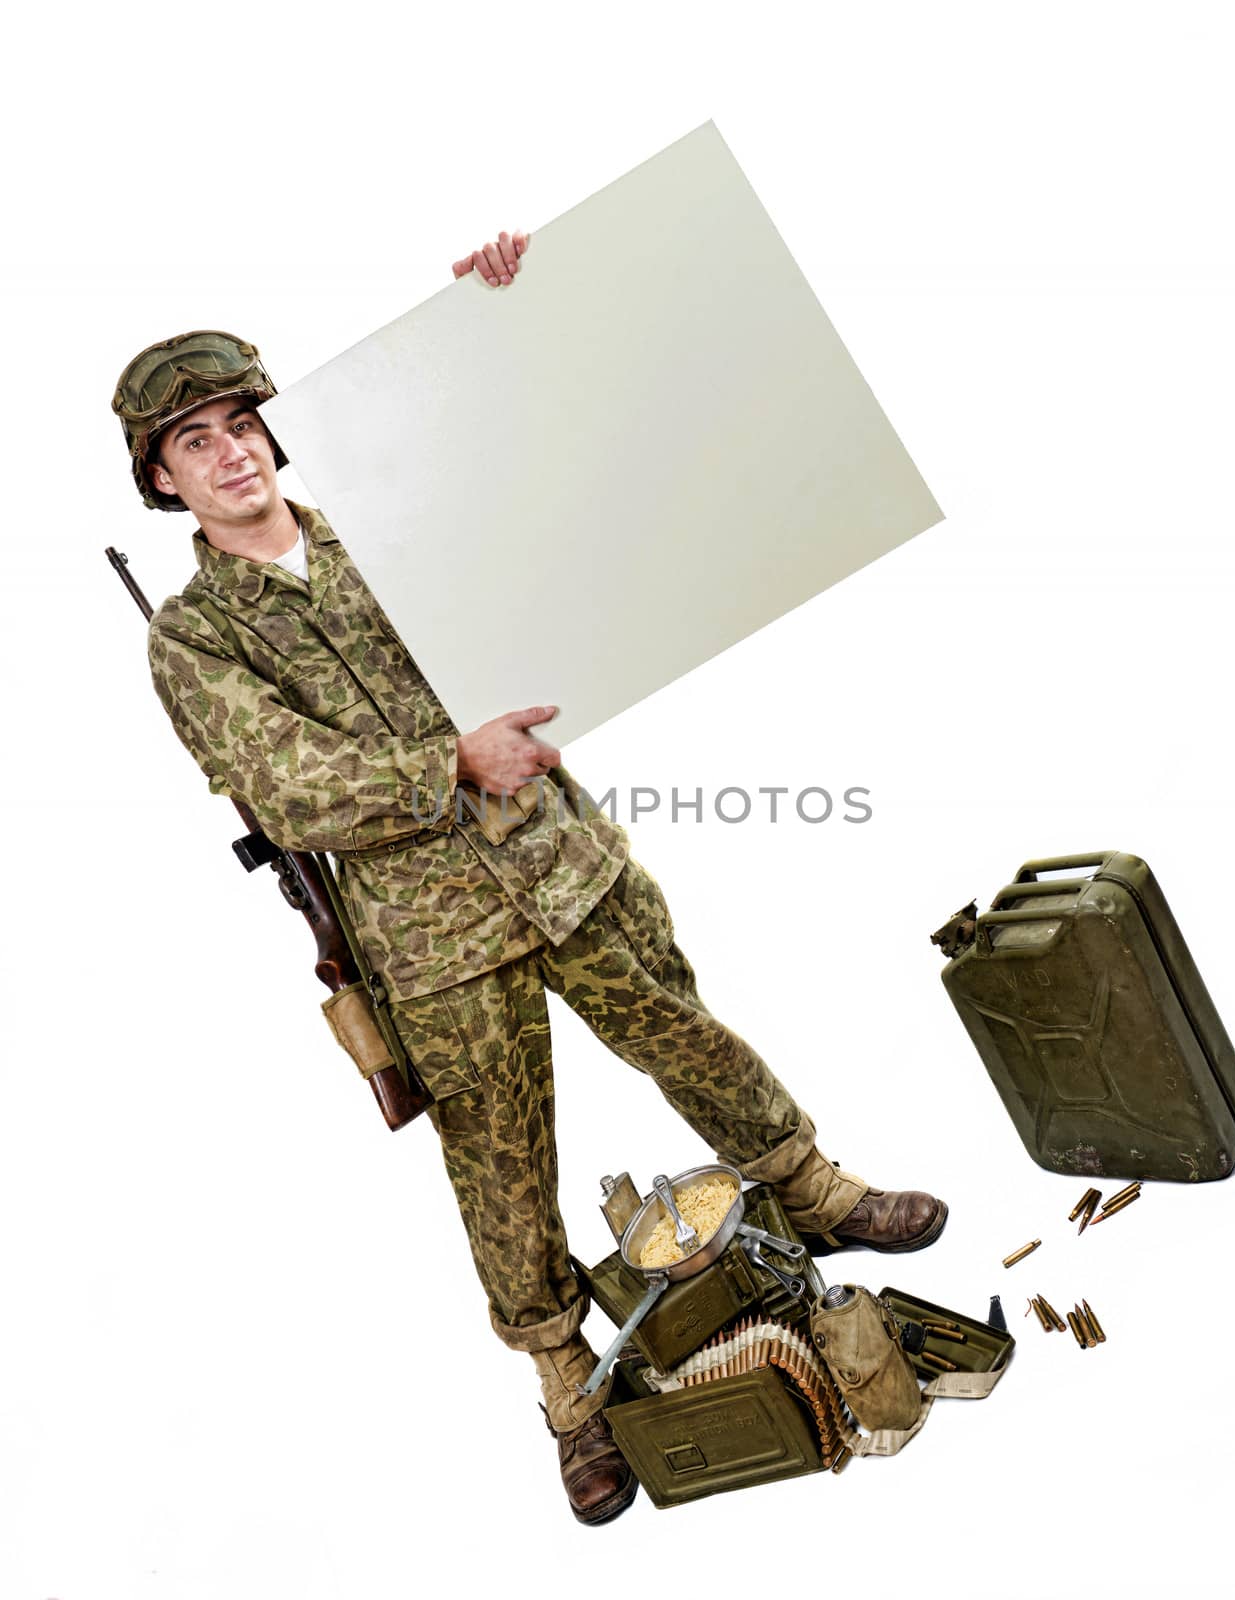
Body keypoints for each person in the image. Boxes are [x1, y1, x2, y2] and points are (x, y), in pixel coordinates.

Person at [111, 229, 948, 1525]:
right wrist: (451, 759)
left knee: (687, 1032)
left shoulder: (396, 511)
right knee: (500, 1163)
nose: (232, 455)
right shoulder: (193, 638)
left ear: (275, 434)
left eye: (242, 424)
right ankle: (569, 1388)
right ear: (163, 484)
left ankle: (815, 1190)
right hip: (429, 935)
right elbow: (290, 787)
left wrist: (504, 319)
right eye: (195, 444)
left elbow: (560, 480)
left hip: (561, 859)